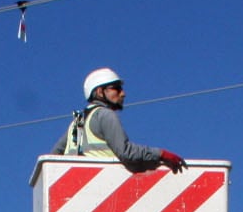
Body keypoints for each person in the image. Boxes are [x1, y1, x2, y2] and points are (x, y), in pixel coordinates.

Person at [54, 67, 186, 173]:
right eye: (116, 88)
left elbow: (54, 158)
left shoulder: (76, 123)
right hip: (103, 183)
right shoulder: (105, 115)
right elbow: (126, 152)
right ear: (100, 92)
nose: (123, 93)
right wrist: (161, 154)